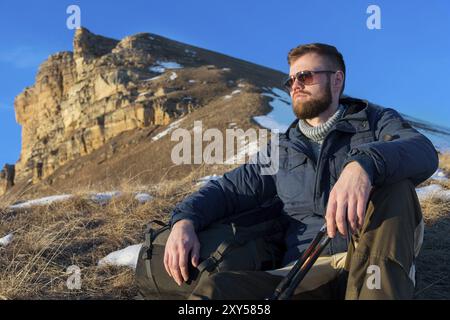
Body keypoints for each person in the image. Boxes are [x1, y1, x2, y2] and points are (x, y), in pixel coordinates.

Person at [164, 43, 439, 299]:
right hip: (304, 270)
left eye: (305, 76)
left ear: (337, 79)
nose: (295, 85)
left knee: (395, 186)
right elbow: (228, 189)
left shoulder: (377, 121)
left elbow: (422, 150)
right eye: (291, 80)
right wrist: (185, 220)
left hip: (371, 257)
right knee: (216, 291)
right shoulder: (282, 150)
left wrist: (363, 165)